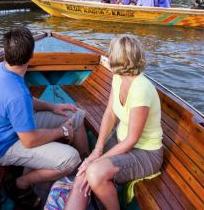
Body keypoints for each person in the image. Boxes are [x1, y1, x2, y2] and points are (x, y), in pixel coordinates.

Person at [0, 26, 89, 208]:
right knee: (71, 159)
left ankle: (87, 163)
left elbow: (27, 101)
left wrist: (53, 106)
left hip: (13, 128)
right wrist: (61, 131)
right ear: (31, 56)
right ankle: (21, 183)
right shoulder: (16, 94)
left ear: (6, 52)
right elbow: (29, 141)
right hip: (3, 146)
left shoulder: (0, 69)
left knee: (75, 115)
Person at [63, 35, 163, 210]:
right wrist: (97, 150)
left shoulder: (141, 89)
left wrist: (97, 160)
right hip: (121, 140)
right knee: (84, 172)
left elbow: (132, 140)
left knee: (94, 171)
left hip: (145, 153)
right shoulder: (118, 78)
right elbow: (109, 114)